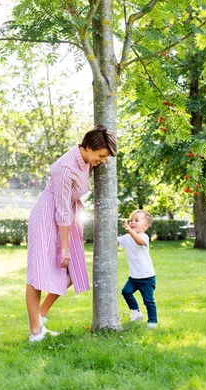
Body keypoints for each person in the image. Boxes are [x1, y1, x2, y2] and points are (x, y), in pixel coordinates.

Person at [26, 125, 117, 342]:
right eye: (101, 155)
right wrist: (65, 248)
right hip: (48, 217)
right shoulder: (66, 168)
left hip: (65, 217)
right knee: (38, 275)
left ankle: (41, 316)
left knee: (73, 271)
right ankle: (35, 332)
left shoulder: (85, 160)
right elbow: (62, 209)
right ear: (88, 147)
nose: (102, 161)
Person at [118, 210, 158, 329]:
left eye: (136, 220)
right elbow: (115, 240)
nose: (132, 222)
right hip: (134, 277)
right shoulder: (126, 238)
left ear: (145, 226)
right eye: (131, 220)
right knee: (126, 292)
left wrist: (130, 231)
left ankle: (152, 322)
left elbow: (139, 242)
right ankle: (136, 312)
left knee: (148, 300)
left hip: (147, 277)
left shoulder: (143, 237)